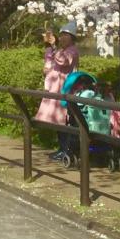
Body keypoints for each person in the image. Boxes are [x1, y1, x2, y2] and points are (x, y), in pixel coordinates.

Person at [36, 24, 79, 158]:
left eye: (66, 35)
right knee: (58, 121)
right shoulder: (61, 50)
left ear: (72, 38)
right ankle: (62, 148)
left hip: (65, 89)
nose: (62, 38)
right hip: (55, 90)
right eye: (61, 35)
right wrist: (49, 47)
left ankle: (67, 150)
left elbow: (63, 61)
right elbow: (50, 62)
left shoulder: (72, 51)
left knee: (64, 121)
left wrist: (54, 47)